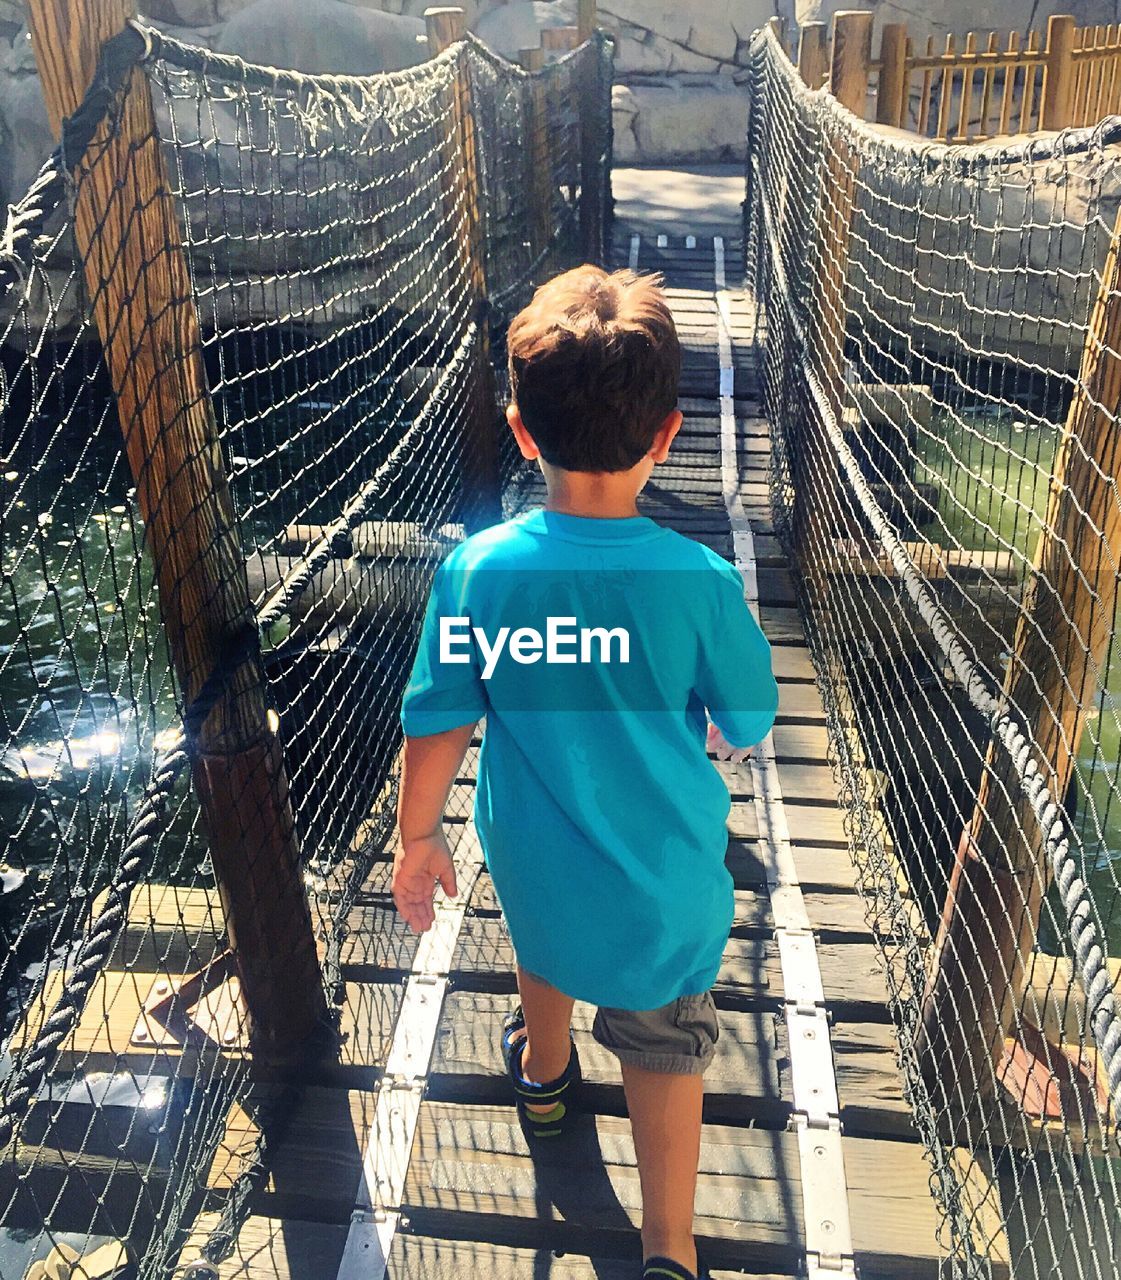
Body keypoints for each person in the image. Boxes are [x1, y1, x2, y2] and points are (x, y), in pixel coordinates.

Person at [392, 265, 778, 1280]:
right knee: (663, 1042)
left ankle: (545, 1073)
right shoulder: (697, 582)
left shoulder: (476, 570)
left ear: (520, 429)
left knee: (546, 935)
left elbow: (436, 719)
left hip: (531, 851)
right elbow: (745, 717)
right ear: (665, 434)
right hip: (661, 880)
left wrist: (417, 836)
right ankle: (667, 1245)